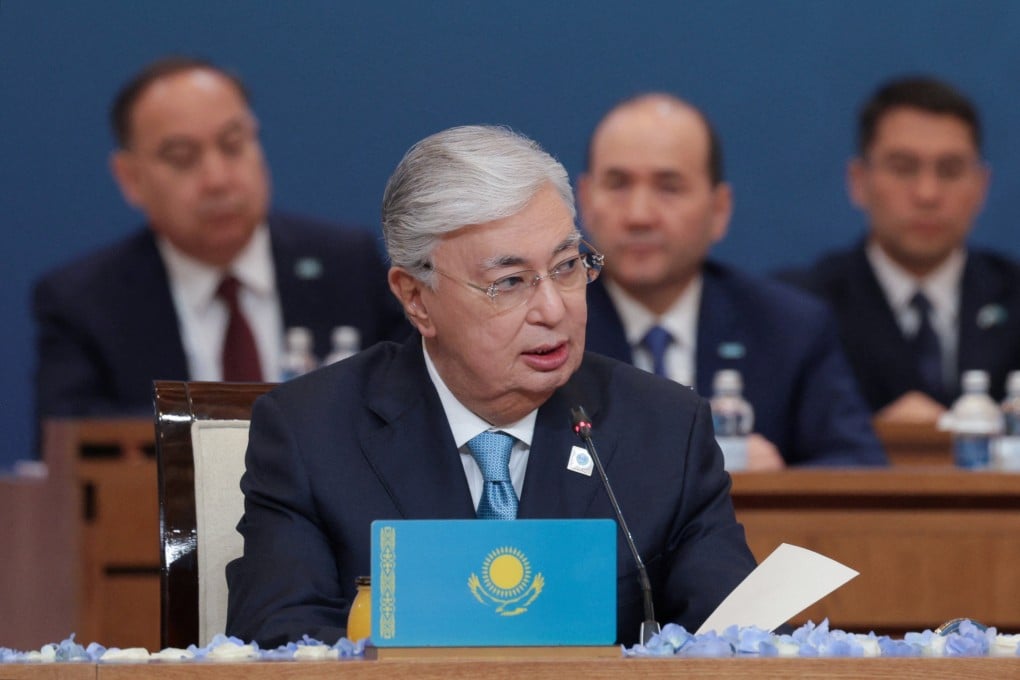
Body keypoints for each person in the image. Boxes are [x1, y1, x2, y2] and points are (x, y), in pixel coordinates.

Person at [225, 125, 757, 647]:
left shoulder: (663, 429)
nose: (553, 309)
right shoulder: (311, 433)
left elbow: (737, 639)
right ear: (415, 298)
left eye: (567, 266)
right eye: (508, 283)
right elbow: (281, 640)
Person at [32, 56, 406, 420]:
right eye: (182, 157)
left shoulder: (348, 265)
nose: (218, 179)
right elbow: (72, 452)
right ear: (130, 179)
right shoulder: (85, 303)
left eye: (232, 144)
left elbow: (411, 406)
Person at [579, 93, 885, 469]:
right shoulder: (547, 326)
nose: (639, 215)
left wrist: (778, 479)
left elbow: (858, 465)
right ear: (586, 200)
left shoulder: (788, 328)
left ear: (719, 211)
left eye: (668, 187)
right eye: (618, 184)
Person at [781, 76, 1020, 422]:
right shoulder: (801, 309)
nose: (927, 194)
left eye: (950, 170)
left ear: (981, 187)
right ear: (859, 181)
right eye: (903, 168)